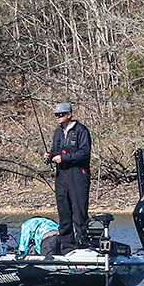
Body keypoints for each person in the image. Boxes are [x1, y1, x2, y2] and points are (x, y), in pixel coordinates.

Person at [43, 102, 92, 251]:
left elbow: (84, 153)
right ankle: (67, 247)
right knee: (64, 212)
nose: (58, 117)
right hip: (61, 176)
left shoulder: (81, 131)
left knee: (79, 212)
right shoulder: (57, 132)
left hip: (78, 175)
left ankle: (82, 244)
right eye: (56, 115)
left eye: (61, 114)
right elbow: (55, 151)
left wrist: (64, 158)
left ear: (69, 115)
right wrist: (50, 156)